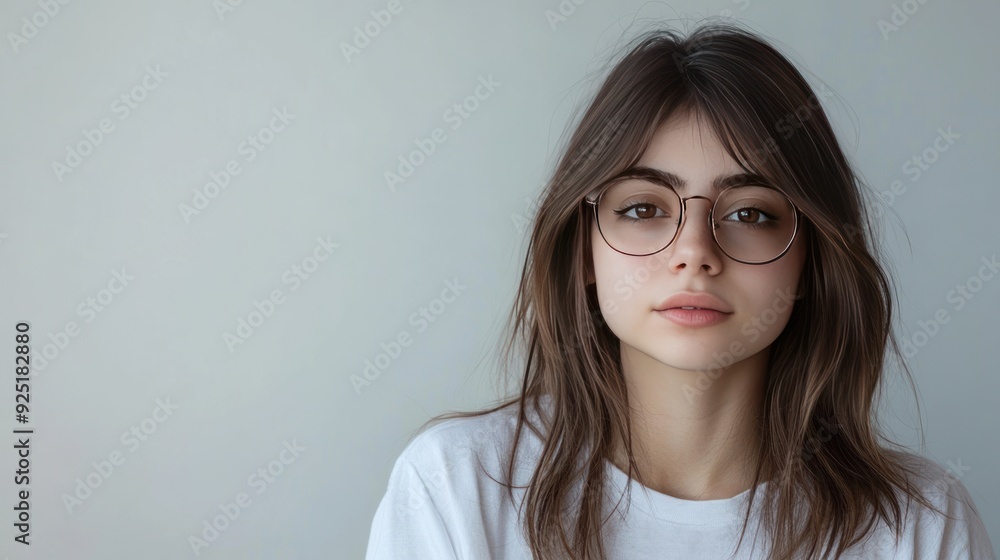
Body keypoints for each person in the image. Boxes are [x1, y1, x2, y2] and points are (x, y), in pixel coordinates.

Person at [365, 19, 998, 560]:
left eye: (750, 213)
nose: (694, 253)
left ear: (810, 260)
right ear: (585, 249)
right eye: (643, 209)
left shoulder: (919, 527)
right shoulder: (454, 488)